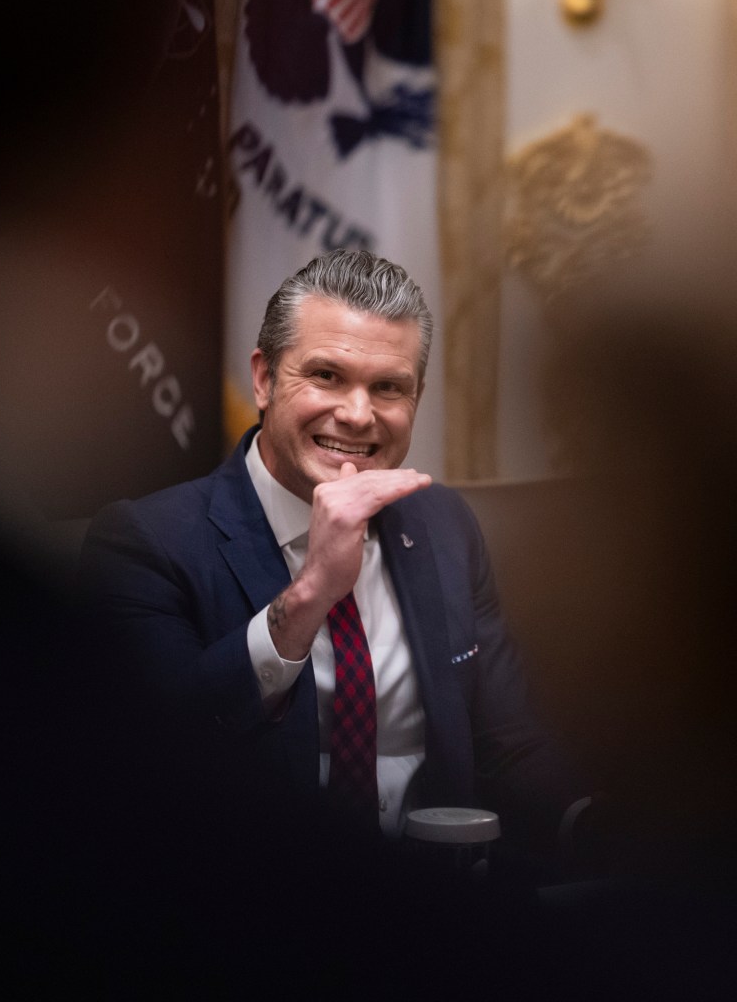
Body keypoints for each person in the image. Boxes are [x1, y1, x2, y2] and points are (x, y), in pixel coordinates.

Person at [78, 248, 583, 862]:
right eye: (327, 376)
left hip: (439, 907)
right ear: (264, 379)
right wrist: (312, 591)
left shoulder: (444, 523)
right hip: (246, 915)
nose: (357, 414)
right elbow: (153, 757)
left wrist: (594, 827)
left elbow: (509, 742)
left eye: (389, 388)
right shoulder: (147, 541)